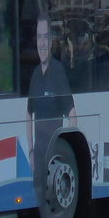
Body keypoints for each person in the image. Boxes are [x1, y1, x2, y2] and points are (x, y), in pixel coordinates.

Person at [27, 14, 76, 189]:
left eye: (45, 37)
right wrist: (31, 150)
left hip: (54, 156)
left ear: (51, 41)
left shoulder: (58, 71)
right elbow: (28, 113)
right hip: (39, 154)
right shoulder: (35, 74)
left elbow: (73, 116)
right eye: (39, 37)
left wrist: (64, 152)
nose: (42, 43)